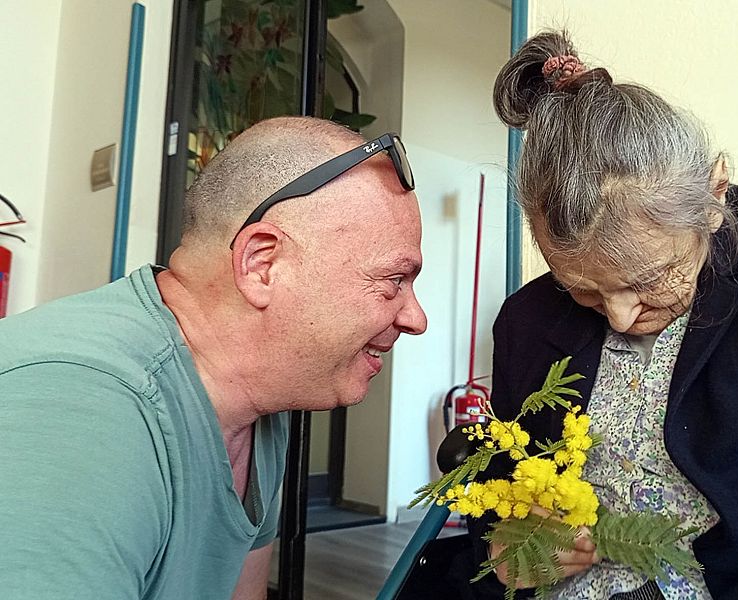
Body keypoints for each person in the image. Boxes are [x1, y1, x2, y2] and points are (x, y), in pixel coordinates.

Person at [465, 31, 738, 599]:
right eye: (583, 291)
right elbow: (497, 492)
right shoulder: (525, 320)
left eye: (648, 281)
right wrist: (508, 546)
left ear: (714, 196)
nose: (620, 318)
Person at [0, 116, 427, 599]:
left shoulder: (259, 401)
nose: (416, 319)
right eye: (393, 280)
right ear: (262, 264)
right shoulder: (80, 411)